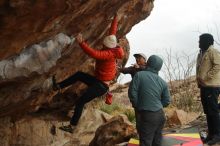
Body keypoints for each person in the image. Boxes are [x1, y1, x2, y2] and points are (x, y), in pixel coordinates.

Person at [52, 14, 124, 133]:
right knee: (79, 75)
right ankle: (58, 86)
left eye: (104, 45)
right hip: (98, 81)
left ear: (107, 46)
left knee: (80, 102)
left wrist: (81, 43)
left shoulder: (108, 54)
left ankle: (72, 126)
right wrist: (116, 17)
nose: (102, 45)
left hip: (101, 86)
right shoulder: (114, 46)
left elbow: (95, 54)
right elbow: (113, 31)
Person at [128, 55, 171, 146]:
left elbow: (132, 93)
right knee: (156, 142)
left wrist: (138, 106)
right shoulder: (162, 82)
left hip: (146, 115)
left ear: (148, 63)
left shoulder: (139, 75)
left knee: (145, 142)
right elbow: (167, 101)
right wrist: (157, 105)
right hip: (160, 115)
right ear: (159, 68)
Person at [196, 33, 220, 145]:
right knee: (208, 111)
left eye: (200, 41)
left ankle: (217, 135)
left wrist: (206, 77)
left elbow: (218, 65)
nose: (198, 43)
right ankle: (211, 134)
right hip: (204, 86)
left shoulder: (213, 51)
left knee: (213, 112)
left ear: (206, 41)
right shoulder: (200, 53)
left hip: (212, 86)